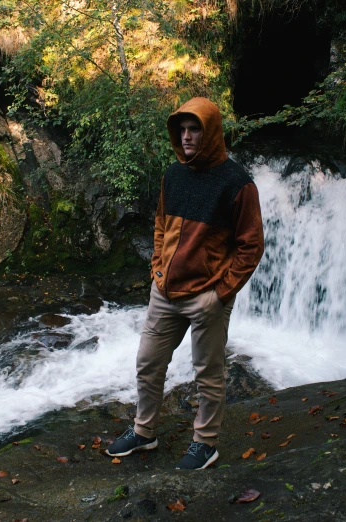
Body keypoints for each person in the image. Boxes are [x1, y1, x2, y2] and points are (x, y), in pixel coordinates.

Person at [106, 97, 265, 469]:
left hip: (207, 295)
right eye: (183, 129)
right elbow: (161, 224)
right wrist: (157, 268)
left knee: (207, 374)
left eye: (195, 129)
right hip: (165, 290)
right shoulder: (173, 175)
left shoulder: (238, 184)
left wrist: (220, 294)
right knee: (148, 362)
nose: (187, 136)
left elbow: (251, 247)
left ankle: (205, 443)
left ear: (210, 133)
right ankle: (144, 432)